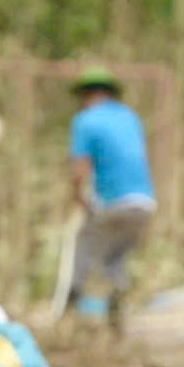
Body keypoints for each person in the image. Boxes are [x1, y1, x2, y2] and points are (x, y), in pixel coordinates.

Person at [66, 67, 156, 330]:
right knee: (115, 258)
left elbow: (80, 170)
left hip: (114, 202)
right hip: (144, 203)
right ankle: (116, 312)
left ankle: (74, 308)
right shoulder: (130, 117)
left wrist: (78, 198)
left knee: (85, 246)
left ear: (86, 96)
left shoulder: (85, 120)